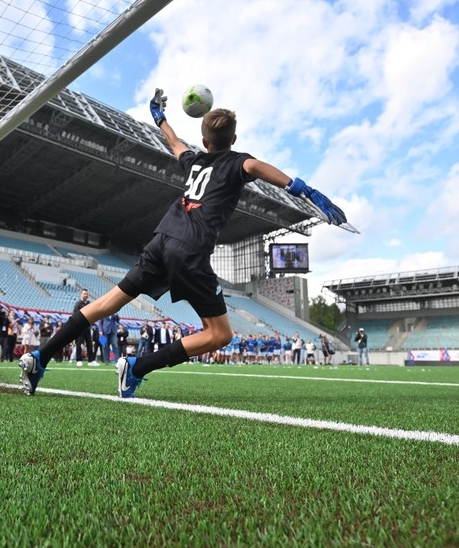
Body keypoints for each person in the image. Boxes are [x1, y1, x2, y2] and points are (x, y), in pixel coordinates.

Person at [19, 88, 346, 396]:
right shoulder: (237, 161)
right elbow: (256, 167)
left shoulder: (195, 161)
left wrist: (160, 117)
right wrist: (304, 189)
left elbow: (174, 143)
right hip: (190, 249)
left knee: (105, 304)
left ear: (204, 141)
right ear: (234, 140)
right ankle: (136, 367)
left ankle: (39, 357)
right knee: (220, 334)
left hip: (161, 240)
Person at [72, 290, 97, 366]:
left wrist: (93, 324)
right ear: (81, 294)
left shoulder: (89, 303)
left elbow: (92, 314)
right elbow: (75, 315)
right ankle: (78, 360)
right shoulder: (78, 304)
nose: (86, 295)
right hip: (80, 327)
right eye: (84, 294)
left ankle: (91, 360)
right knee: (79, 343)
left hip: (88, 327)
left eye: (87, 294)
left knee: (89, 344)